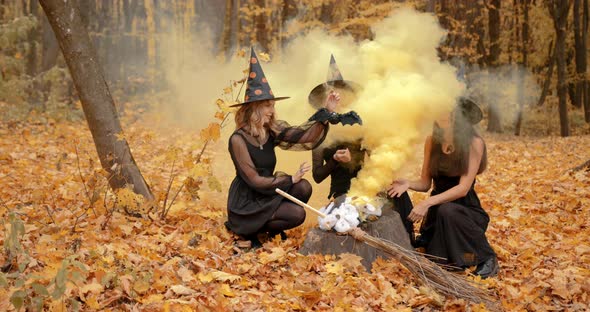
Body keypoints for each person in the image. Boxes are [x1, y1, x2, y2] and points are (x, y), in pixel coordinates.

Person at [226, 48, 353, 248]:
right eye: (267, 106)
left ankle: (270, 230)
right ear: (254, 109)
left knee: (304, 187)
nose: (272, 110)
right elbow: (254, 180)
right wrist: (289, 179)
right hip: (248, 200)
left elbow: (304, 136)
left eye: (272, 105)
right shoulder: (238, 139)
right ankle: (253, 230)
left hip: (266, 191)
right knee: (297, 213)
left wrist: (327, 112)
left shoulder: (271, 129)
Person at [387, 97, 498, 278]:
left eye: (449, 109)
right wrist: (408, 183)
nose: (442, 113)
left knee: (447, 210)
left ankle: (486, 258)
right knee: (398, 195)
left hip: (464, 211)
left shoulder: (474, 143)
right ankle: (408, 241)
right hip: (438, 213)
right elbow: (425, 183)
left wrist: (428, 203)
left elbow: (463, 189)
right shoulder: (432, 141)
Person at [310, 55, 415, 243]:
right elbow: (317, 176)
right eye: (332, 95)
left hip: (367, 184)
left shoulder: (359, 123)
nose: (338, 98)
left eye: (341, 94)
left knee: (398, 194)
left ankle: (408, 240)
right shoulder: (319, 130)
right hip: (342, 191)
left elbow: (376, 159)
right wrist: (334, 160)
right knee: (346, 216)